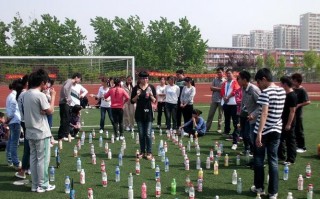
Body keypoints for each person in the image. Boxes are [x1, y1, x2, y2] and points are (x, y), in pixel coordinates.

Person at [251, 68, 286, 199]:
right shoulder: (282, 91)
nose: (258, 85)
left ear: (264, 79)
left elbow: (264, 113)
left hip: (264, 130)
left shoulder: (265, 93)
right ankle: (273, 192)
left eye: (259, 82)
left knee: (259, 159)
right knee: (273, 160)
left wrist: (259, 132)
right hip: (276, 129)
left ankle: (259, 187)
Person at [23, 69, 56, 192]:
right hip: (41, 132)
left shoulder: (26, 94)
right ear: (42, 82)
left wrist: (43, 111)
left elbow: (41, 110)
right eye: (46, 82)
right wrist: (53, 97)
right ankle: (43, 185)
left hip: (30, 131)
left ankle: (35, 184)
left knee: (34, 158)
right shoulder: (40, 95)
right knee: (43, 160)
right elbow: (50, 110)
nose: (47, 85)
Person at [131, 71, 157, 160]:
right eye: (143, 78)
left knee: (148, 134)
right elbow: (132, 101)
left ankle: (149, 152)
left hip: (148, 113)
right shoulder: (135, 88)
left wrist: (151, 95)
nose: (145, 80)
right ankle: (142, 152)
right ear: (140, 79)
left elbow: (154, 100)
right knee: (141, 134)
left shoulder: (151, 87)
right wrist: (137, 95)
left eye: (146, 78)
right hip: (139, 113)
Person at [237, 71, 261, 161]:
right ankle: (251, 153)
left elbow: (262, 105)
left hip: (254, 118)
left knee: (252, 137)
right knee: (245, 134)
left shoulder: (254, 89)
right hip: (245, 115)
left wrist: (253, 114)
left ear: (244, 80)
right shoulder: (243, 88)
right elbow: (243, 102)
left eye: (239, 78)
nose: (237, 80)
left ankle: (257, 158)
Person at [278, 76, 297, 165]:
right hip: (282, 120)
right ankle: (281, 155)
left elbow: (292, 111)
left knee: (290, 140)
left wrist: (289, 124)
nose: (280, 85)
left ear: (285, 84)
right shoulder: (285, 94)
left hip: (289, 122)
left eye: (281, 83)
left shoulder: (292, 95)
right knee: (281, 138)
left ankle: (291, 159)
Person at [57, 73, 82, 141]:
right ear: (76, 77)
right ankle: (61, 136)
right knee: (65, 119)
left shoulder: (69, 82)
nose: (79, 81)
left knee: (65, 119)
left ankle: (62, 135)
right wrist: (66, 97)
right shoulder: (70, 81)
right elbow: (65, 88)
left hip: (64, 103)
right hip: (64, 103)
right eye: (79, 79)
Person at [15, 74, 31, 179]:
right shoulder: (24, 94)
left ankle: (28, 168)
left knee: (29, 146)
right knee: (28, 146)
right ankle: (25, 169)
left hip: (25, 121)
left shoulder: (22, 93)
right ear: (27, 83)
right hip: (27, 122)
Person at [220, 68, 240, 150]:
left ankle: (236, 135)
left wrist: (228, 97)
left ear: (233, 74)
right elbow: (222, 91)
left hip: (233, 103)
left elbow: (236, 90)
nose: (228, 75)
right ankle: (227, 131)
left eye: (229, 73)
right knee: (227, 118)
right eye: (227, 73)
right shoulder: (224, 83)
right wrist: (224, 97)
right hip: (226, 103)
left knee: (235, 120)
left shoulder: (235, 82)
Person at [291, 73, 310, 153]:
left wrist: (299, 105)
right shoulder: (292, 88)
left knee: (299, 130)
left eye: (294, 81)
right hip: (292, 113)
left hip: (298, 114)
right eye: (292, 80)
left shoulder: (302, 90)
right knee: (293, 130)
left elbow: (308, 101)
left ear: (299, 82)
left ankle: (302, 147)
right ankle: (295, 145)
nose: (293, 82)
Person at [5, 79, 21, 170]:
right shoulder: (14, 97)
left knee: (11, 141)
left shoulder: (10, 96)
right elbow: (11, 113)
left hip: (13, 121)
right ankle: (15, 162)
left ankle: (10, 159)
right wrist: (8, 120)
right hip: (15, 121)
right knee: (14, 143)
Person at [206, 67, 225, 133]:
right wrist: (220, 89)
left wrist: (216, 88)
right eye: (218, 72)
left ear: (223, 72)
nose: (219, 73)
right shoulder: (215, 80)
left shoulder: (225, 81)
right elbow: (211, 88)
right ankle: (207, 128)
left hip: (221, 100)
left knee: (220, 115)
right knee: (210, 114)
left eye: (220, 72)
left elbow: (224, 90)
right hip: (214, 99)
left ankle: (219, 128)